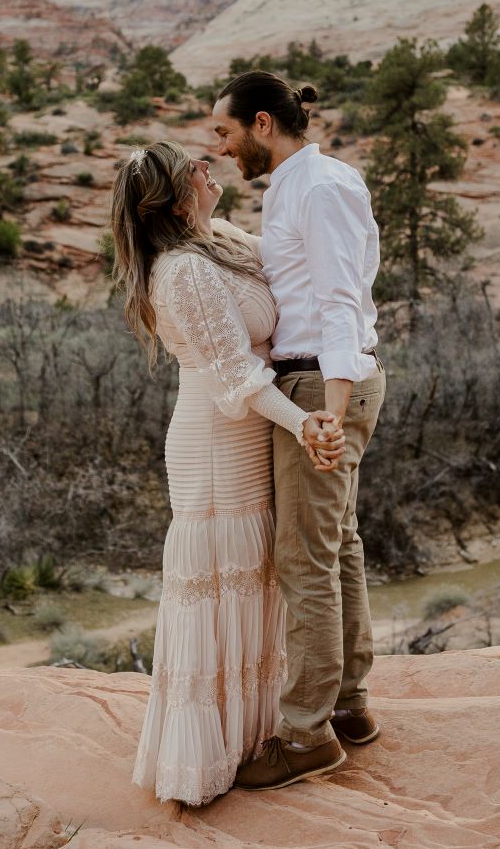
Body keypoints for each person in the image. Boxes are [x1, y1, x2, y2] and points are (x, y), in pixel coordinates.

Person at [113, 140, 346, 807]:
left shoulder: (219, 238)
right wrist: (305, 424)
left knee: (257, 578)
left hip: (249, 431)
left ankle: (252, 732)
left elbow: (292, 264)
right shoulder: (182, 272)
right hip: (218, 440)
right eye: (196, 169)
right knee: (222, 581)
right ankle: (201, 755)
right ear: (172, 197)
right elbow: (235, 378)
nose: (208, 169)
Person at [209, 71, 386, 793]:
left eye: (222, 133)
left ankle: (305, 733)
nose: (218, 149)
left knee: (304, 557)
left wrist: (329, 414)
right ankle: (349, 707)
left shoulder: (320, 188)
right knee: (335, 542)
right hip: (315, 381)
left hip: (321, 384)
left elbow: (342, 301)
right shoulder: (295, 185)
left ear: (259, 123)